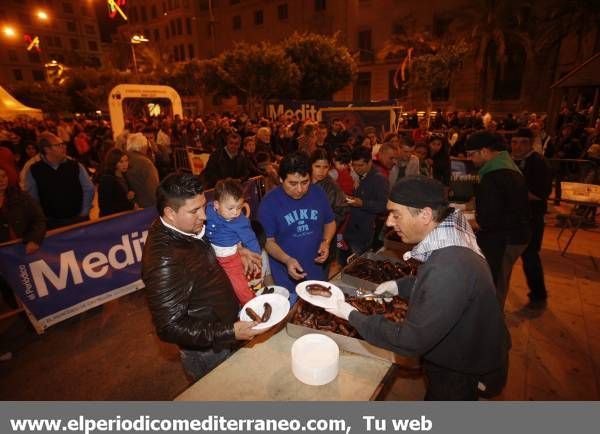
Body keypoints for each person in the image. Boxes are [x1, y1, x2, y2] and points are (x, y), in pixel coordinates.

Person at [326, 176, 510, 400]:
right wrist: (398, 285)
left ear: (425, 214)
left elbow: (411, 341)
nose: (389, 223)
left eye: (396, 214)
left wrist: (352, 315)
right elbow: (435, 285)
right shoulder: (448, 237)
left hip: (461, 366)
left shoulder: (449, 266)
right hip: (465, 343)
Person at [141, 171, 266, 382]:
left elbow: (206, 252)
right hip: (207, 352)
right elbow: (169, 327)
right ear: (170, 213)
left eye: (203, 206)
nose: (205, 216)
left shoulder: (187, 227)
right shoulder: (164, 262)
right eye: (195, 211)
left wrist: (237, 250)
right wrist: (228, 332)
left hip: (224, 330)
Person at [258, 152, 336, 303]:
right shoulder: (269, 203)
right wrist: (287, 260)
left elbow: (330, 222)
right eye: (293, 183)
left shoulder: (318, 193)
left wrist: (326, 242)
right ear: (281, 179)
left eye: (305, 182)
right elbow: (268, 241)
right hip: (286, 276)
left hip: (317, 271)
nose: (300, 189)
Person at [466, 131, 530, 309]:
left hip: (505, 239)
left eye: (472, 154)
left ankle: (492, 323)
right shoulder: (508, 167)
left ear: (484, 151)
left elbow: (487, 220)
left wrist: (463, 222)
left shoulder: (493, 175)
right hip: (516, 234)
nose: (471, 159)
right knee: (502, 277)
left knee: (495, 282)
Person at [511, 128, 553, 309]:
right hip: (514, 217)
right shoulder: (512, 160)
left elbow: (541, 194)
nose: (517, 146)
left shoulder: (538, 162)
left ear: (531, 143)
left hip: (532, 218)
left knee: (530, 256)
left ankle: (538, 293)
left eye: (522, 142)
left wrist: (514, 193)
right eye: (514, 142)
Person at [205, 178, 261, 305]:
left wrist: (256, 257)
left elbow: (250, 238)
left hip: (230, 259)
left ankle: (251, 305)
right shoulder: (208, 210)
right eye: (231, 208)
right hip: (209, 254)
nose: (235, 212)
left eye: (239, 207)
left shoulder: (240, 222)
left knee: (240, 287)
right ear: (216, 205)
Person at [23, 131, 94, 230]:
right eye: (59, 145)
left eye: (63, 144)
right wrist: (42, 219)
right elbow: (33, 198)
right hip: (52, 223)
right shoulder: (34, 170)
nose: (64, 147)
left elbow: (89, 189)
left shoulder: (75, 166)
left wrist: (84, 213)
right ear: (47, 149)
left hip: (78, 219)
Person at [343, 146, 389, 256]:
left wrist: (362, 203)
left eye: (360, 165)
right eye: (354, 165)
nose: (356, 168)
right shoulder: (353, 174)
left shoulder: (379, 179)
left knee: (354, 264)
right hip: (345, 229)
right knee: (343, 260)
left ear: (370, 163)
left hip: (361, 234)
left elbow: (384, 206)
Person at [97, 148, 136, 217]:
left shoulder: (123, 174)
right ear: (113, 162)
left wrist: (129, 195)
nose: (125, 164)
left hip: (123, 216)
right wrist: (129, 203)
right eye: (121, 162)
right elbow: (105, 207)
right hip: (112, 219)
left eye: (126, 161)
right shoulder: (107, 179)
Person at [126, 132, 160, 208]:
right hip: (147, 205)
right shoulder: (145, 163)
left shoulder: (126, 159)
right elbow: (153, 189)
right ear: (143, 147)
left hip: (134, 204)